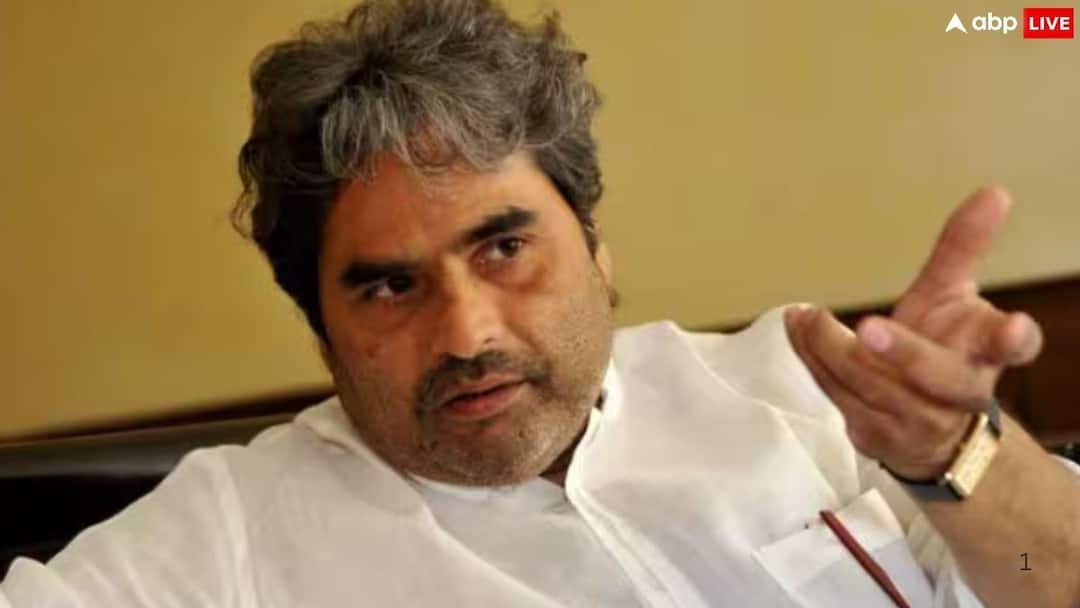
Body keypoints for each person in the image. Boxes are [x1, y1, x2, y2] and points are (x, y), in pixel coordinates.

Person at [3, 0, 1078, 606]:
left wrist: (957, 457)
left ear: (597, 252)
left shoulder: (798, 390)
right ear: (321, 327)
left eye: (506, 247)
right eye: (388, 285)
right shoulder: (227, 535)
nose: (467, 332)